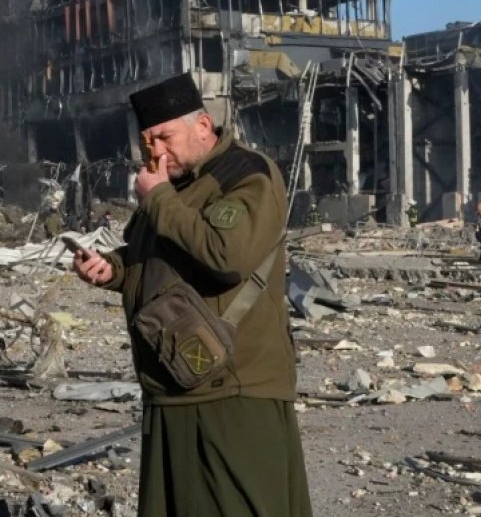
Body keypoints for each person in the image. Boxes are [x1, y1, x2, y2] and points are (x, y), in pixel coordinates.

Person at [71, 72, 311, 516]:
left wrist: (158, 198)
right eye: (148, 143)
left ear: (203, 126)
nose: (156, 153)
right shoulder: (175, 185)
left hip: (234, 389)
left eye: (164, 137)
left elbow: (227, 254)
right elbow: (162, 256)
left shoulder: (246, 175)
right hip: (173, 380)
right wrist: (115, 269)